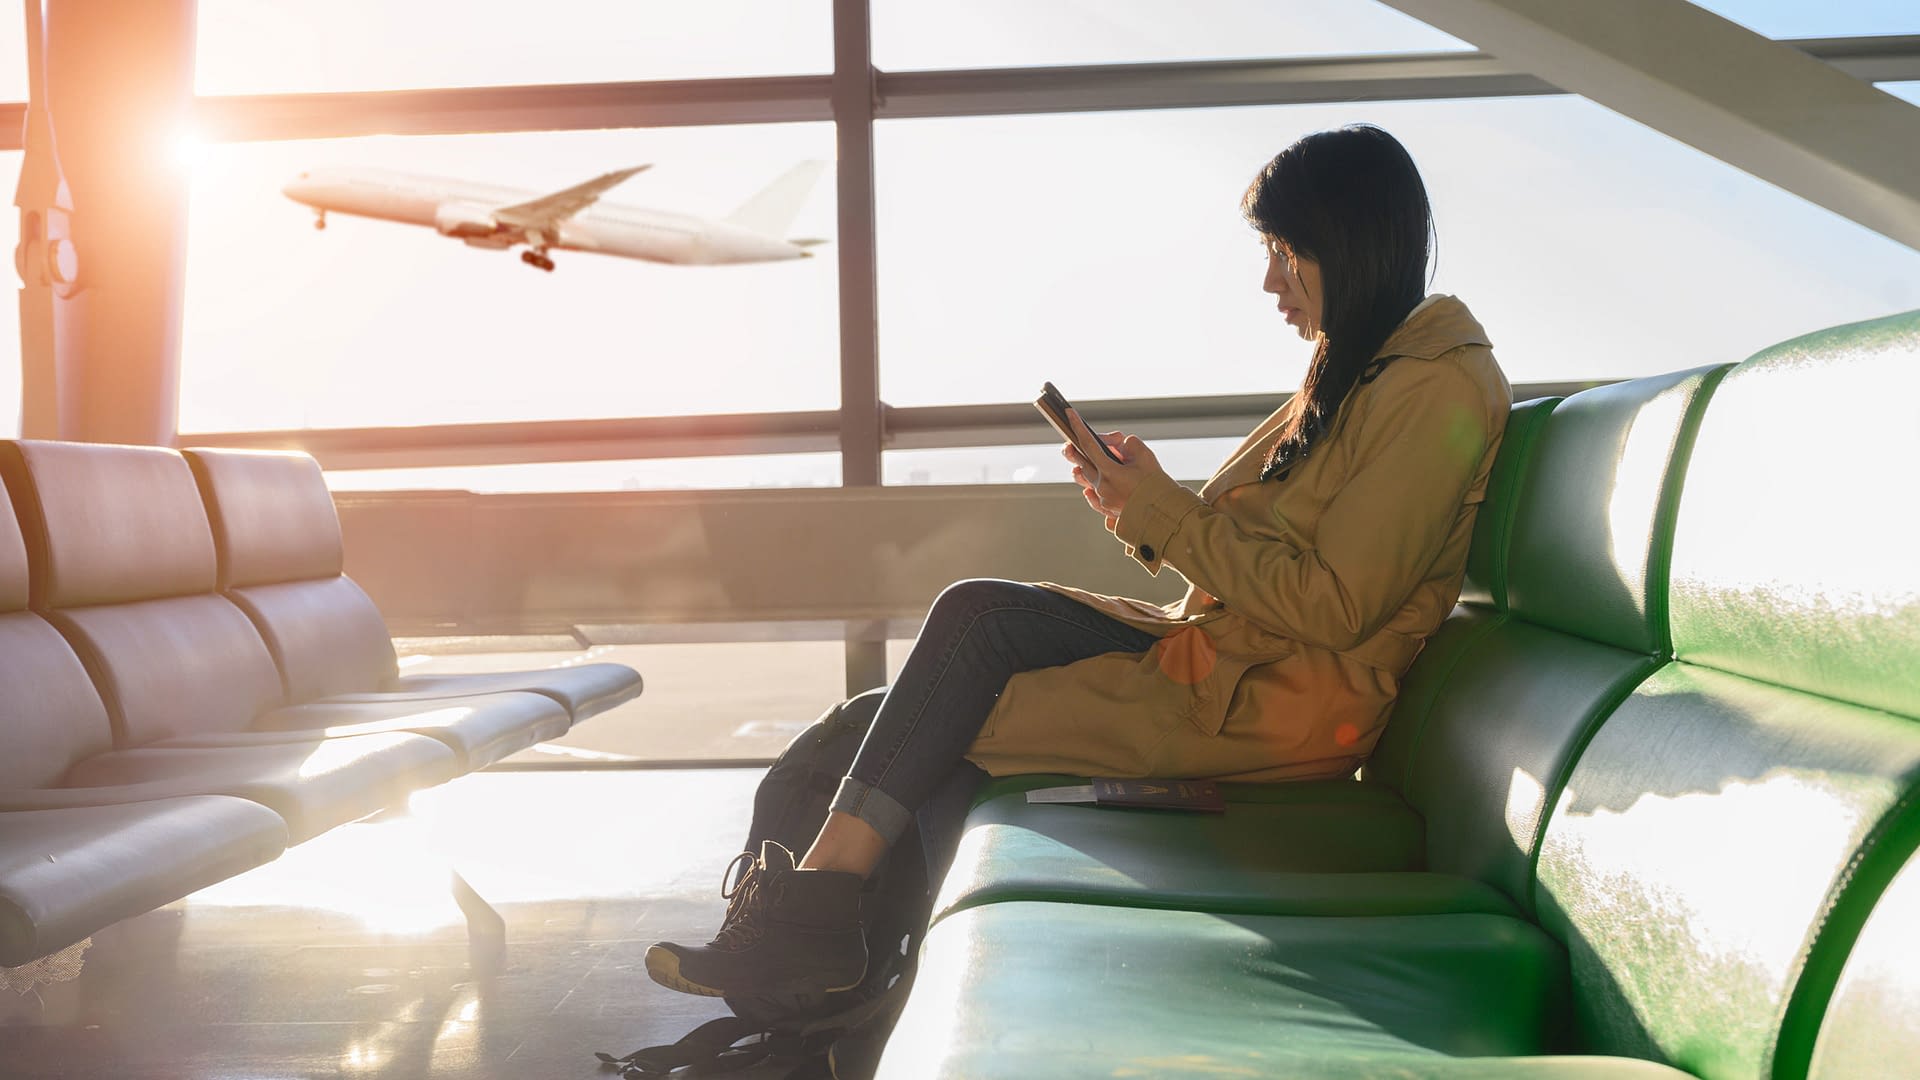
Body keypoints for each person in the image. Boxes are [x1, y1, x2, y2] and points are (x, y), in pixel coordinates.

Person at [646, 123, 1513, 1001]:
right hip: (1224, 661)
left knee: (905, 732)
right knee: (950, 639)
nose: (1270, 279)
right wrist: (1139, 509)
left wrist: (1165, 514)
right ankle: (804, 952)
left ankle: (812, 955)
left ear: (1354, 241)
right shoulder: (1356, 370)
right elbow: (1259, 559)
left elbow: (1335, 603)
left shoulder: (1433, 385)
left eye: (1289, 252)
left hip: (1267, 707)